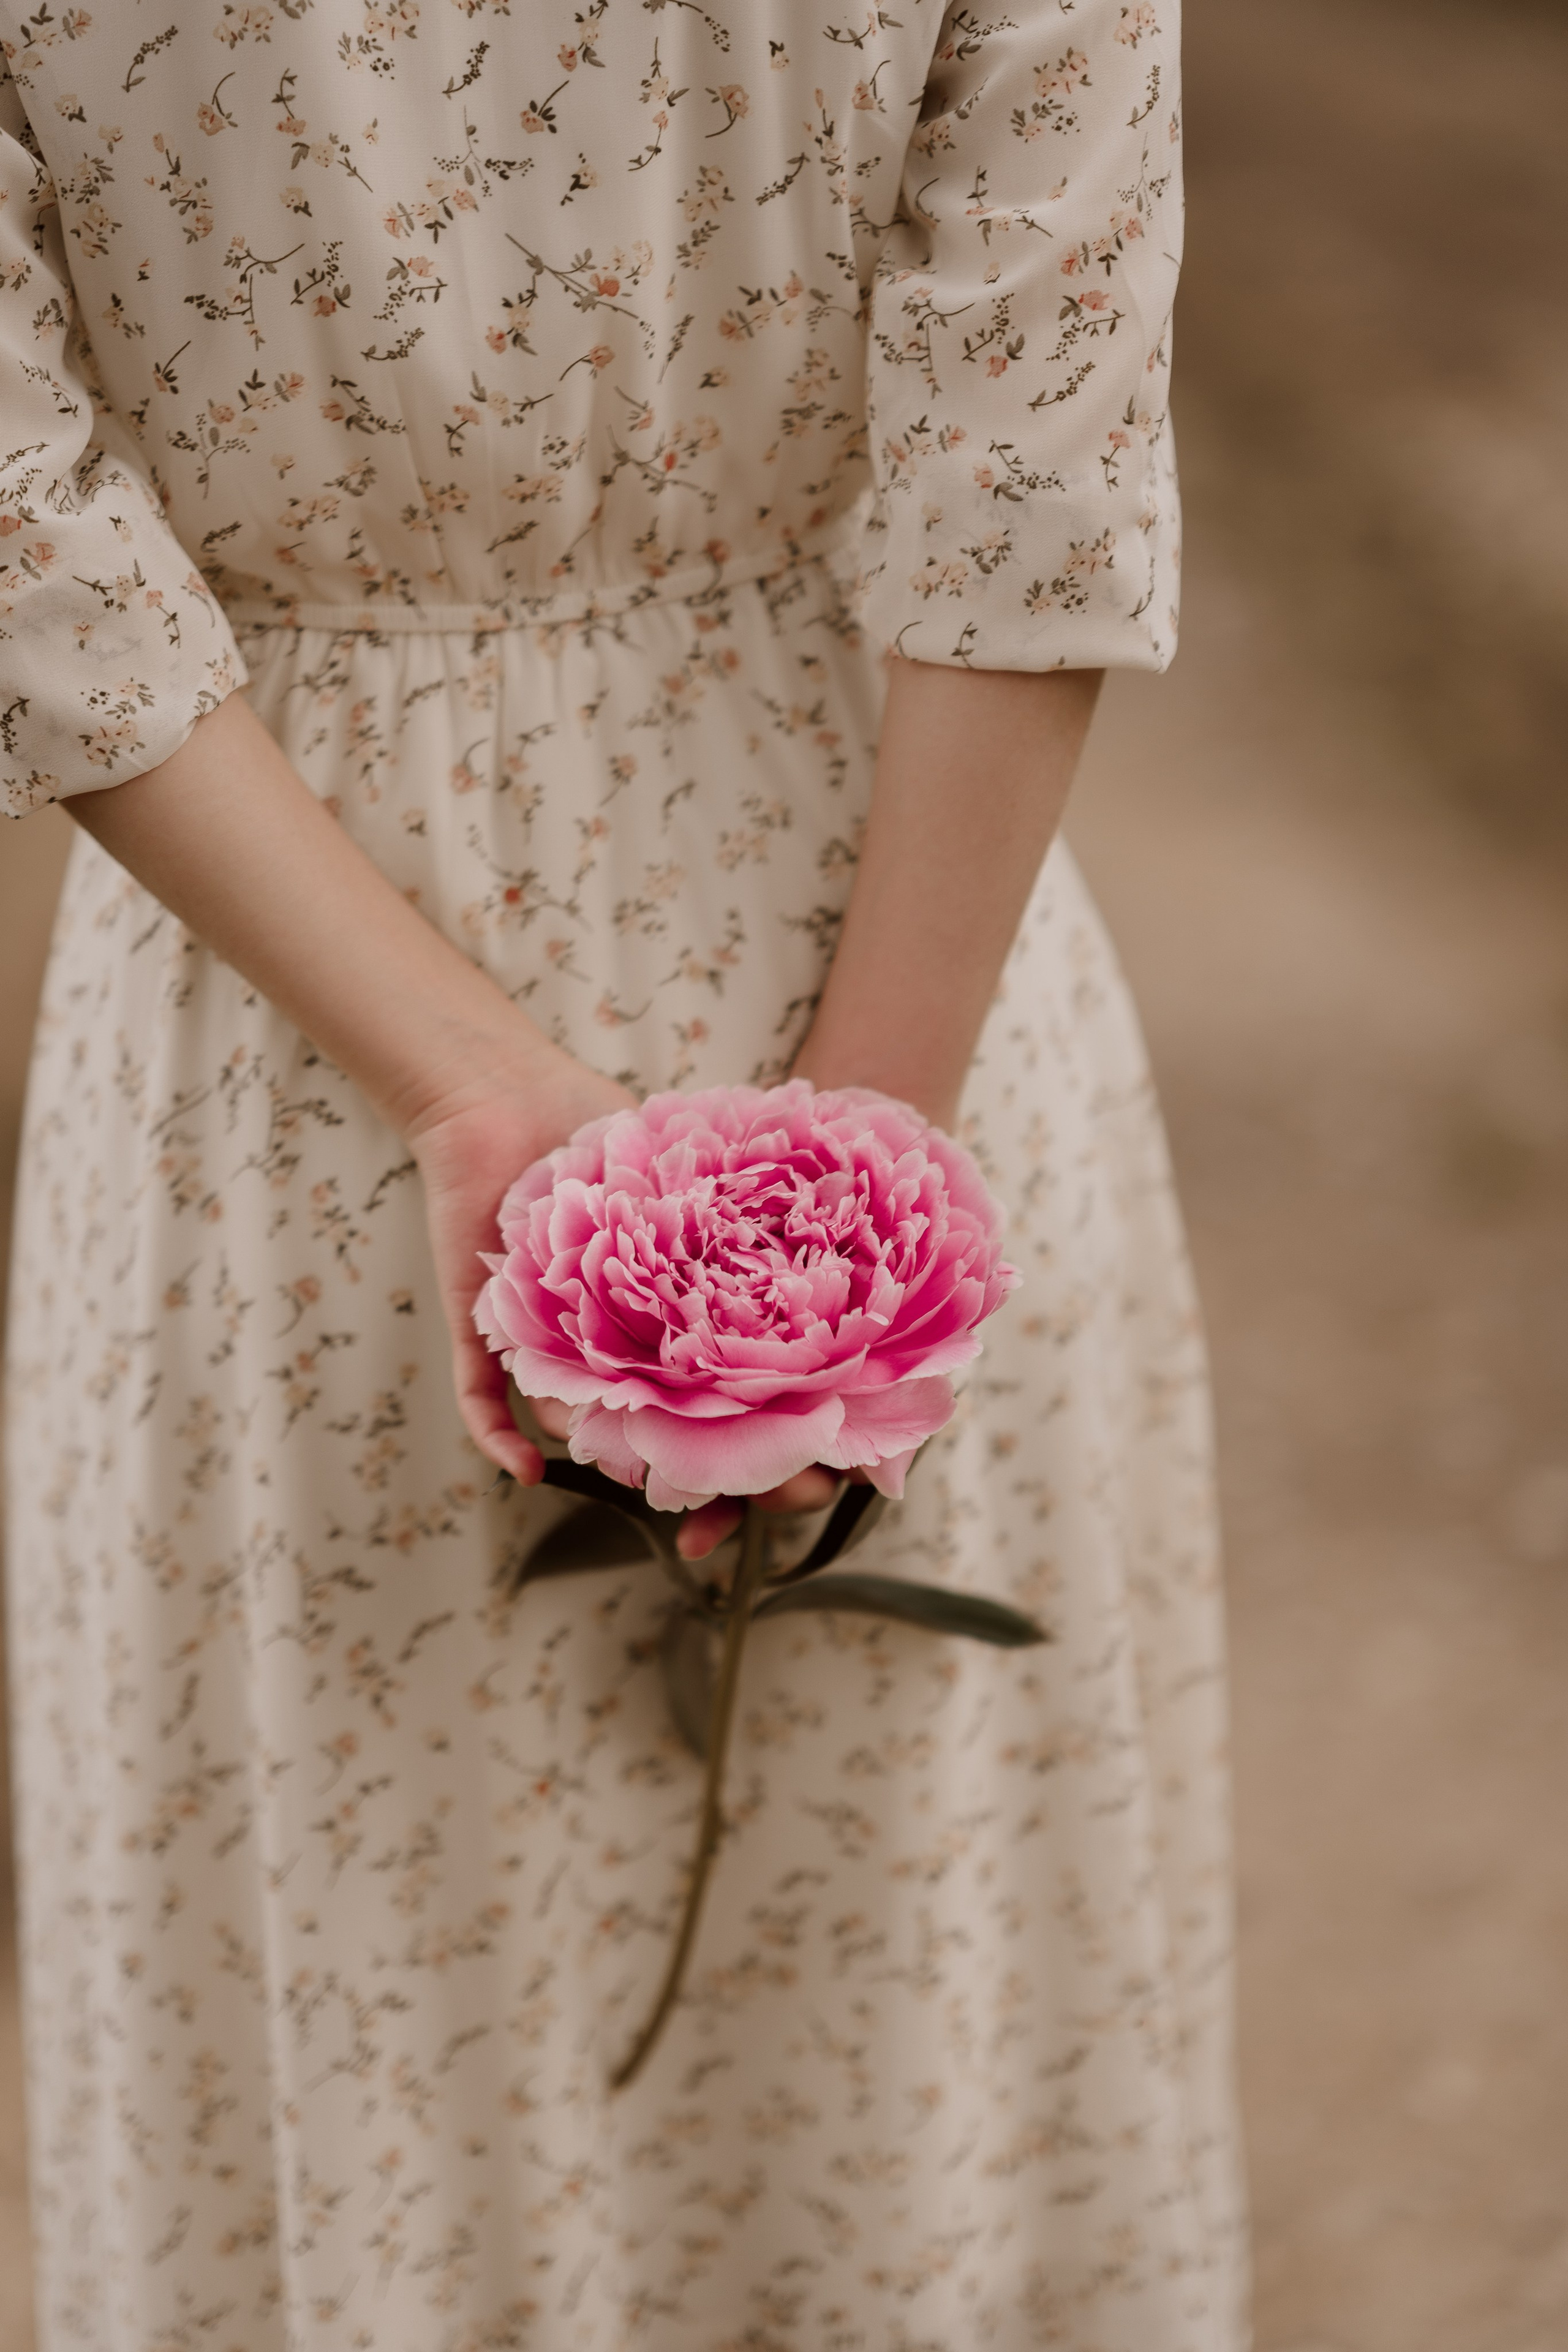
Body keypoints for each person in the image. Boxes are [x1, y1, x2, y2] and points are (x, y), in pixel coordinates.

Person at [0, 3, 1245, 2345]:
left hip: (276, 1044)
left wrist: (463, 1089)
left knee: (404, 2027)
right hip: (884, 883)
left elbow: (21, 522)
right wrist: (862, 1194)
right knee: (900, 2045)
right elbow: (1026, 462)